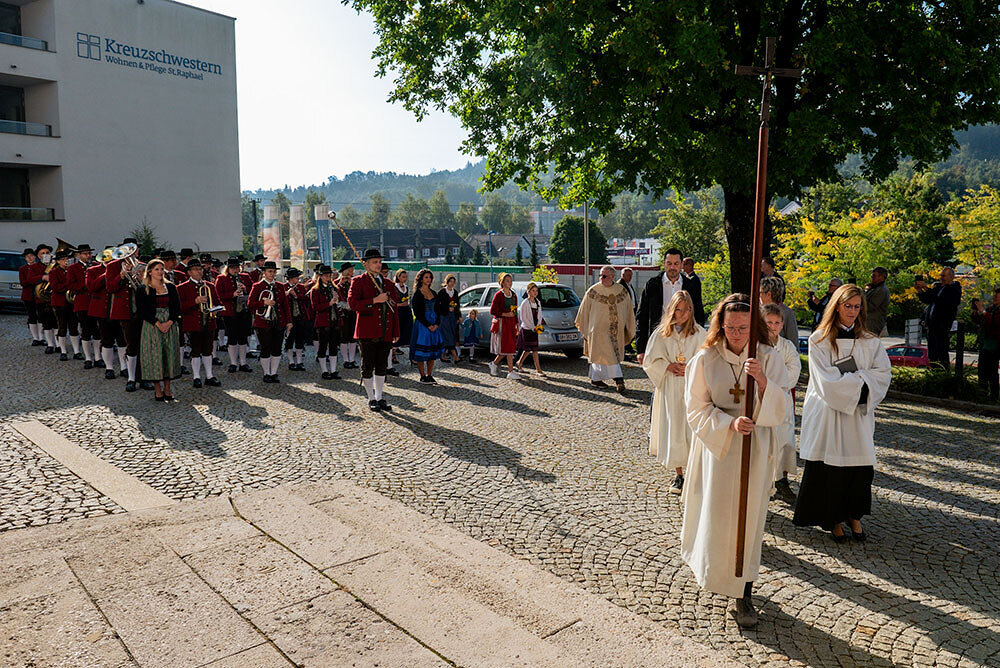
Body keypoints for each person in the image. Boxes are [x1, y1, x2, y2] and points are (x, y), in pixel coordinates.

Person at [681, 294, 787, 628]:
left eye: (743, 328)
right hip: (719, 450)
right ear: (720, 325)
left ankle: (744, 593)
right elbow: (695, 408)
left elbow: (783, 406)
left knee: (749, 521)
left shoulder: (768, 356)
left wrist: (763, 381)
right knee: (719, 518)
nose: (737, 334)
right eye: (730, 327)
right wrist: (728, 423)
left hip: (755, 446)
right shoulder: (705, 358)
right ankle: (715, 574)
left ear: (753, 327)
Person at [794, 284, 892, 543]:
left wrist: (857, 381)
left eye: (857, 306)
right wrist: (861, 379)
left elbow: (883, 374)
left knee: (859, 469)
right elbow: (826, 381)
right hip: (829, 413)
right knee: (831, 470)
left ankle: (854, 515)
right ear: (836, 306)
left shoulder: (870, 341)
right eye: (847, 306)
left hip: (858, 414)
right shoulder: (819, 340)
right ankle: (834, 519)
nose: (852, 311)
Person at [641, 290, 705, 494]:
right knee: (674, 428)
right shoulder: (661, 334)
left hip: (693, 386)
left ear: (691, 310)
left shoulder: (699, 333)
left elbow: (708, 359)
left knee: (692, 428)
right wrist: (668, 366)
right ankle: (679, 474)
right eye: (678, 309)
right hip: (670, 386)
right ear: (671, 310)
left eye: (686, 310)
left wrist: (691, 367)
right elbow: (649, 361)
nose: (682, 314)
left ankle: (695, 472)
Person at [348, 249, 400, 412]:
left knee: (382, 366)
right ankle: (371, 398)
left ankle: (379, 396)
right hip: (367, 331)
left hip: (385, 330)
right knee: (368, 366)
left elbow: (394, 310)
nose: (378, 265)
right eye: (374, 262)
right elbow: (353, 304)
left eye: (379, 262)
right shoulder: (358, 281)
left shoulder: (389, 284)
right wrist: (374, 300)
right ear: (366, 264)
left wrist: (396, 331)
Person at [637, 249, 706, 366]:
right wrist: (641, 349)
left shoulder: (691, 285)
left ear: (681, 264)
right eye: (669, 263)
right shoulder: (652, 285)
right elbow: (642, 316)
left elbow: (698, 313)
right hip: (659, 339)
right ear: (664, 263)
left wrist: (698, 340)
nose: (672, 267)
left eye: (676, 264)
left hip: (685, 339)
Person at [762, 303, 801, 503]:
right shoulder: (757, 346)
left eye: (777, 323)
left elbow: (794, 369)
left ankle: (781, 481)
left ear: (782, 324)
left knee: (784, 441)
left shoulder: (787, 346)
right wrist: (768, 382)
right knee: (764, 442)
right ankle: (763, 483)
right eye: (769, 322)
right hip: (762, 401)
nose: (773, 326)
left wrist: (773, 382)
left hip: (782, 399)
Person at [575, 265, 636, 393]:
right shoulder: (593, 291)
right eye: (600, 276)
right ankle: (619, 380)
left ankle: (596, 378)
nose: (601, 278)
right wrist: (585, 328)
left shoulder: (621, 291)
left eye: (604, 276)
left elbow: (628, 310)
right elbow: (584, 311)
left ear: (612, 277)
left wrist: (628, 326)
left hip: (615, 331)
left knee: (611, 355)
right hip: (597, 331)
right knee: (602, 355)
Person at [136, 259, 181, 401]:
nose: (160, 272)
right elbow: (142, 310)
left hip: (169, 323)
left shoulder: (170, 287)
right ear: (149, 272)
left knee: (169, 355)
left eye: (162, 269)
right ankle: (157, 389)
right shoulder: (143, 289)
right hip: (152, 325)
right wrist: (158, 323)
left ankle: (167, 388)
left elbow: (176, 307)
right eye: (157, 269)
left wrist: (169, 322)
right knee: (154, 356)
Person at [177, 259, 223, 389]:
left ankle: (209, 375)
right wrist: (195, 301)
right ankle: (196, 377)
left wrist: (215, 308)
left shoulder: (210, 286)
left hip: (209, 322)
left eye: (200, 269)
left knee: (208, 350)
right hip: (193, 324)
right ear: (189, 272)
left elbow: (218, 302)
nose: (199, 271)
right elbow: (179, 307)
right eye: (196, 269)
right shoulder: (182, 288)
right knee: (196, 350)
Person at [248, 261, 292, 383]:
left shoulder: (280, 286)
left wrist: (289, 321)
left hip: (279, 321)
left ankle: (274, 373)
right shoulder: (257, 286)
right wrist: (263, 303)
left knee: (277, 348)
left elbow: (285, 305)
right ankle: (266, 373)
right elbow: (250, 304)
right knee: (265, 348)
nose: (272, 274)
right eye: (269, 271)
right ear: (264, 272)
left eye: (274, 272)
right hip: (262, 322)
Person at [916, 268, 962, 370]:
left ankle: (943, 372)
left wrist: (926, 288)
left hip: (942, 325)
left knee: (941, 351)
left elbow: (941, 301)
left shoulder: (954, 289)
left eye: (943, 276)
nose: (941, 278)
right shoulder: (938, 287)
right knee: (932, 353)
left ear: (951, 277)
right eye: (940, 275)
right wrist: (920, 290)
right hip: (931, 326)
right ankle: (933, 370)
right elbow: (928, 299)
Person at [215, 258, 253, 373]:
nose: (235, 270)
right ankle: (233, 363)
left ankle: (243, 363)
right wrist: (232, 294)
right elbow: (217, 295)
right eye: (232, 268)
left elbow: (253, 291)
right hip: (230, 312)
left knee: (243, 337)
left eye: (237, 267)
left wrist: (245, 289)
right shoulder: (221, 278)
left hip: (243, 311)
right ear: (228, 268)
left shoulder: (245, 277)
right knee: (232, 337)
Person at [410, 268, 443, 384]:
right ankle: (422, 375)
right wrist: (428, 325)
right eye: (426, 277)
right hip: (423, 325)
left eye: (430, 277)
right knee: (422, 351)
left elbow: (438, 310)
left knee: (432, 352)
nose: (428, 279)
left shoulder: (434, 293)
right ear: (421, 279)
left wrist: (437, 323)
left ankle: (430, 374)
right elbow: (417, 313)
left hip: (434, 323)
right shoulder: (417, 294)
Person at [310, 265, 342, 380]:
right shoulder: (315, 290)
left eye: (330, 276)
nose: (328, 278)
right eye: (326, 276)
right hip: (323, 322)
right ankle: (324, 370)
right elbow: (315, 307)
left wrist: (337, 300)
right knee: (323, 346)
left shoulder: (335, 288)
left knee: (334, 346)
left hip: (335, 321)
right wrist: (329, 303)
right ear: (320, 276)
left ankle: (333, 370)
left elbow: (341, 302)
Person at [489, 273, 521, 380]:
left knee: (510, 347)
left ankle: (495, 364)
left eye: (511, 281)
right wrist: (505, 314)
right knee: (507, 347)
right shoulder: (498, 295)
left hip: (511, 323)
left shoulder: (513, 295)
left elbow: (514, 311)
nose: (510, 283)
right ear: (502, 282)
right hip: (502, 323)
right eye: (507, 281)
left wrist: (516, 324)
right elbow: (493, 311)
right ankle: (510, 371)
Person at [47, 248, 77, 362]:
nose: (66, 261)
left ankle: (77, 351)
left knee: (73, 327)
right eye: (63, 259)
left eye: (67, 259)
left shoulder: (71, 270)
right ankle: (63, 351)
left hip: (71, 303)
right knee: (62, 327)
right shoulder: (53, 272)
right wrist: (69, 285)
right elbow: (55, 287)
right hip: (59, 303)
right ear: (58, 261)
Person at [68, 244, 95, 367]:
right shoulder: (73, 268)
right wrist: (86, 285)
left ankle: (98, 357)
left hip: (95, 302)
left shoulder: (95, 265)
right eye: (85, 254)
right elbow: (70, 285)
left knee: (97, 331)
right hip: (82, 302)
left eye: (89, 253)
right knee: (85, 330)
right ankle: (88, 358)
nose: (88, 256)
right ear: (79, 255)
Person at [971, 288, 1000, 401]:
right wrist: (975, 311)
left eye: (997, 296)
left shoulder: (994, 311)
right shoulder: (990, 309)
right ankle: (982, 392)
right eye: (994, 295)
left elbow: (994, 322)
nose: (994, 298)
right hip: (985, 342)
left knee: (992, 370)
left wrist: (982, 311)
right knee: (982, 369)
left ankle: (993, 395)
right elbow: (980, 321)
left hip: (995, 344)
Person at [516, 282, 546, 377]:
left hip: (535, 329)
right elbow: (523, 318)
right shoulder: (525, 303)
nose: (535, 292)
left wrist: (538, 325)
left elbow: (539, 315)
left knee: (534, 349)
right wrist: (532, 327)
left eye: (536, 291)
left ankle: (536, 368)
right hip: (527, 329)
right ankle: (534, 368)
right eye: (533, 290)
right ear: (528, 291)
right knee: (528, 349)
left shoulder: (538, 302)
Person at [283, 268, 310, 371]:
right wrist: (287, 294)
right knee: (289, 340)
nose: (298, 279)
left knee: (300, 339)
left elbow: (306, 298)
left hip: (300, 316)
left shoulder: (301, 287)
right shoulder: (283, 287)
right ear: (290, 278)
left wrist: (296, 295)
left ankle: (299, 362)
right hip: (289, 318)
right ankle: (291, 362)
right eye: (296, 277)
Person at [19, 247, 46, 346]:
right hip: (28, 295)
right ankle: (35, 338)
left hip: (39, 295)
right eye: (27, 257)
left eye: (31, 256)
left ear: (35, 256)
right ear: (25, 258)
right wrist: (34, 280)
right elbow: (23, 283)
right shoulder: (23, 269)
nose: (30, 258)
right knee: (32, 316)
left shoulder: (40, 266)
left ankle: (41, 337)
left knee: (41, 316)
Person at [759, 276, 798, 344]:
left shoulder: (788, 313)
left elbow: (793, 341)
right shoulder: (757, 311)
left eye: (760, 293)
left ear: (768, 294)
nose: (759, 296)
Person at [34, 243, 57, 353]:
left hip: (55, 298)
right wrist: (42, 277)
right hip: (41, 299)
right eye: (42, 253)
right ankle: (50, 344)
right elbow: (29, 279)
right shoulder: (34, 267)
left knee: (57, 322)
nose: (45, 254)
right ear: (38, 256)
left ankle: (58, 344)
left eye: (47, 252)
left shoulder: (55, 265)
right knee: (46, 323)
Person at [336, 262, 359, 369]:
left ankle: (352, 359)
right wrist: (340, 283)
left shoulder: (354, 281)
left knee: (353, 337)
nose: (352, 272)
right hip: (342, 313)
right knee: (344, 336)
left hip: (353, 311)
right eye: (350, 270)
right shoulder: (337, 282)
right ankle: (345, 360)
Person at [436, 274, 462, 364]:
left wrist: (459, 316)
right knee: (448, 335)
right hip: (444, 316)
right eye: (450, 281)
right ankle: (456, 357)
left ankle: (442, 355)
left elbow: (458, 305)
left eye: (453, 282)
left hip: (453, 317)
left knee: (452, 335)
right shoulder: (442, 292)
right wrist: (447, 308)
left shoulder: (455, 292)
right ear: (447, 282)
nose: (452, 283)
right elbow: (437, 305)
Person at [394, 268, 413, 370]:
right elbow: (392, 302)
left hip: (406, 311)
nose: (405, 278)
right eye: (403, 277)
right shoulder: (394, 287)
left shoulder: (406, 287)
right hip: (399, 311)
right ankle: (393, 353)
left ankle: (411, 355)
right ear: (398, 277)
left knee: (408, 331)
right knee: (398, 331)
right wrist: (401, 304)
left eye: (405, 277)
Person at [865, 267, 890, 337]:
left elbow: (871, 306)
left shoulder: (881, 290)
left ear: (881, 276)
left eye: (874, 275)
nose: (872, 277)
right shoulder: (876, 288)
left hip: (872, 324)